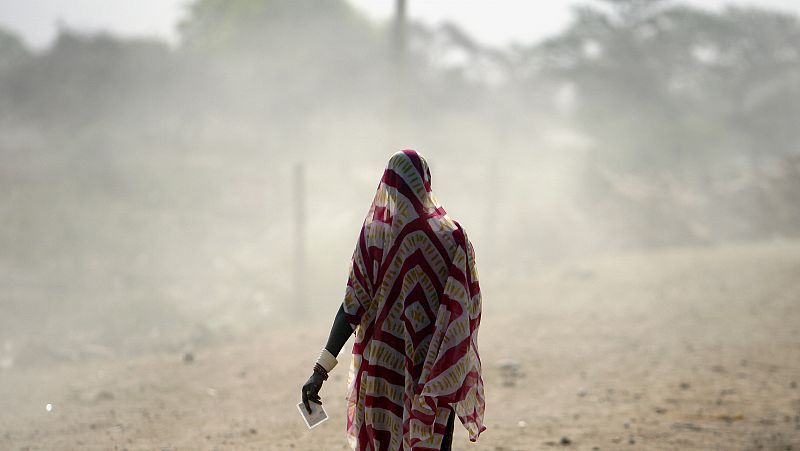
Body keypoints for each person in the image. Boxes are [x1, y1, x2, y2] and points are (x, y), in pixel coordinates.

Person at [301, 149, 485, 451]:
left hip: (382, 372)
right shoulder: (454, 238)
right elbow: (467, 310)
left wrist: (319, 371)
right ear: (425, 182)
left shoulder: (375, 236)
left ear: (388, 185)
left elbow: (351, 308)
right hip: (433, 373)